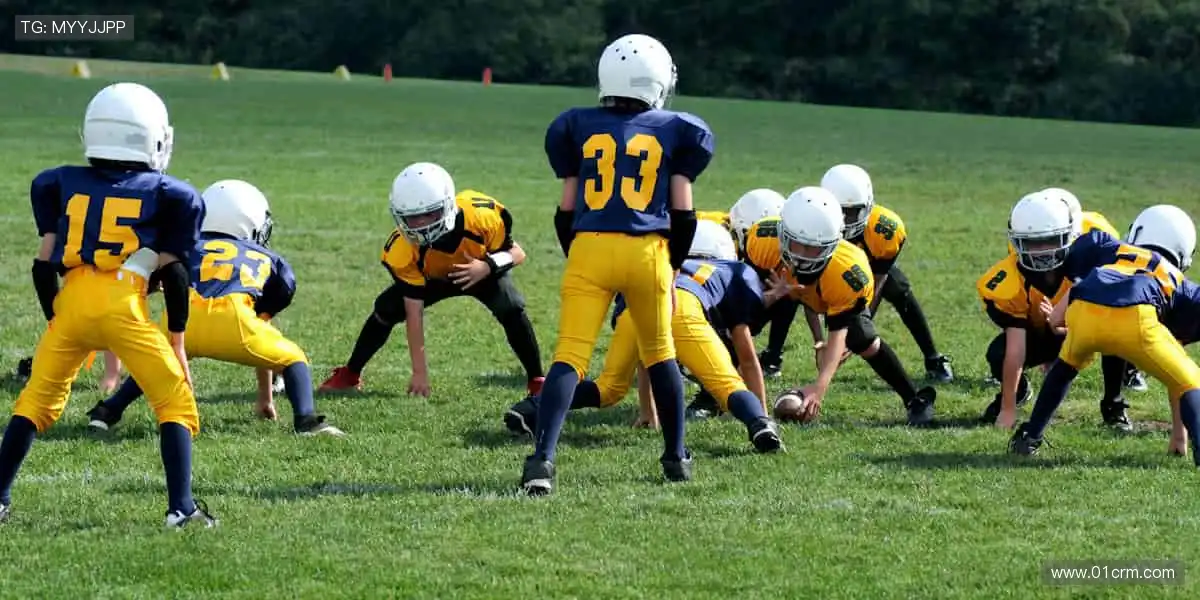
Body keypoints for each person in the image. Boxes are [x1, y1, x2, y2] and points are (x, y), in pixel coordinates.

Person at [0, 82, 214, 527]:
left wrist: (57, 319)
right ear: (153, 137)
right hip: (123, 306)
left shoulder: (58, 182)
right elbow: (175, 274)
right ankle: (182, 509)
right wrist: (177, 340)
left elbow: (42, 268)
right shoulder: (170, 194)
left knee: (35, 402)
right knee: (174, 402)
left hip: (72, 302)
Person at [523, 33, 714, 495]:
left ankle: (542, 459)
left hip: (590, 246)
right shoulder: (676, 128)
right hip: (647, 251)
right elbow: (684, 212)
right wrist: (671, 265)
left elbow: (566, 209)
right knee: (661, 354)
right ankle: (675, 455)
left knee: (569, 357)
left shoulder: (576, 124)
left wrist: (581, 255)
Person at [85, 179, 344, 437]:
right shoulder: (267, 258)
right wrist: (265, 397)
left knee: (154, 363)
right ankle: (306, 420)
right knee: (294, 358)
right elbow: (263, 320)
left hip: (181, 321)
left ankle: (107, 412)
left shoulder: (185, 244)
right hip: (233, 322)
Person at [506, 220, 783, 453]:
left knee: (608, 388)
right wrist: (764, 412)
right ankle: (758, 424)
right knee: (726, 384)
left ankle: (531, 407)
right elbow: (746, 359)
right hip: (683, 309)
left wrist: (648, 410)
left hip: (638, 308)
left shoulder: (662, 263)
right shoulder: (734, 271)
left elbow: (646, 355)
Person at [319, 162, 544, 398]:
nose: (420, 225)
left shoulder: (481, 217)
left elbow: (517, 253)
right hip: (432, 278)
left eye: (429, 214)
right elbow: (413, 313)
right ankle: (350, 374)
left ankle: (537, 379)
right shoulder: (402, 248)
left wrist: (487, 266)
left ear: (448, 205)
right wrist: (420, 372)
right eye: (412, 218)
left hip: (479, 269)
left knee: (511, 305)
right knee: (386, 308)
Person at [1010, 204, 1200, 461]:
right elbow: (1179, 379)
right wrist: (1180, 437)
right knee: (1190, 381)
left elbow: (1081, 279)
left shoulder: (1111, 247)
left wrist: (1057, 318)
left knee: (1064, 369)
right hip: (1135, 316)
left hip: (1086, 309)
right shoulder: (1179, 281)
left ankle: (1031, 436)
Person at [757, 187, 937, 425]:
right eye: (797, 244)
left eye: (813, 248)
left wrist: (819, 386)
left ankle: (913, 399)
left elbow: (838, 331)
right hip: (783, 283)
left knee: (861, 336)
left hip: (829, 288)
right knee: (742, 315)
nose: (802, 256)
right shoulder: (762, 242)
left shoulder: (848, 271)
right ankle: (714, 394)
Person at [977, 191, 1131, 429]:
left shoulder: (1092, 256)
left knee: (1117, 331)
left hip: (1090, 325)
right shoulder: (1010, 280)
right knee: (999, 353)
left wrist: (1064, 320)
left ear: (1070, 235)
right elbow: (1016, 348)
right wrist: (1008, 410)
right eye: (1031, 243)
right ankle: (1017, 393)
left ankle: (1114, 404)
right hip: (1042, 332)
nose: (1039, 251)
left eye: (1048, 240)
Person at [687, 188, 785, 419]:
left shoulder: (764, 248)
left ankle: (771, 357)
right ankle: (708, 394)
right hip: (688, 299)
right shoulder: (713, 237)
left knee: (783, 293)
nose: (763, 242)